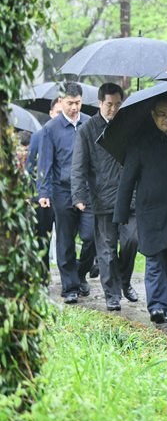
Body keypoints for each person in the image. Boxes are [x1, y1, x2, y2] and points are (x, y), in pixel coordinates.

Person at [114, 97, 167, 323]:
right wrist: (121, 214)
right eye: (162, 114)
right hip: (150, 212)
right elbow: (127, 180)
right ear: (153, 115)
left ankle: (165, 305)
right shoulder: (140, 142)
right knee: (154, 257)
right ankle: (156, 306)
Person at [71, 82, 139, 311]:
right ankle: (112, 294)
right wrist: (79, 196)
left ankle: (124, 281)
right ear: (100, 103)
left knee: (132, 241)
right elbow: (78, 166)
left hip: (130, 196)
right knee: (107, 249)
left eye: (118, 104)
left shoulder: (129, 125)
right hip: (102, 198)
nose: (113, 109)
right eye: (109, 104)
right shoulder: (87, 130)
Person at [37, 83, 96, 304]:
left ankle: (79, 274)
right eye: (70, 103)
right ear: (61, 102)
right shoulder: (51, 129)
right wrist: (44, 192)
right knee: (65, 239)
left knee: (91, 236)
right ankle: (70, 287)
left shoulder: (89, 124)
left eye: (77, 103)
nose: (74, 107)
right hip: (62, 191)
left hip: (87, 190)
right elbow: (45, 163)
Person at [25, 97, 61, 277]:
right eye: (58, 113)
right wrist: (32, 193)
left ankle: (71, 277)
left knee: (66, 239)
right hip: (43, 196)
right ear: (51, 113)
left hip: (64, 194)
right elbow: (29, 166)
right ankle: (43, 276)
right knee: (43, 238)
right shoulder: (38, 136)